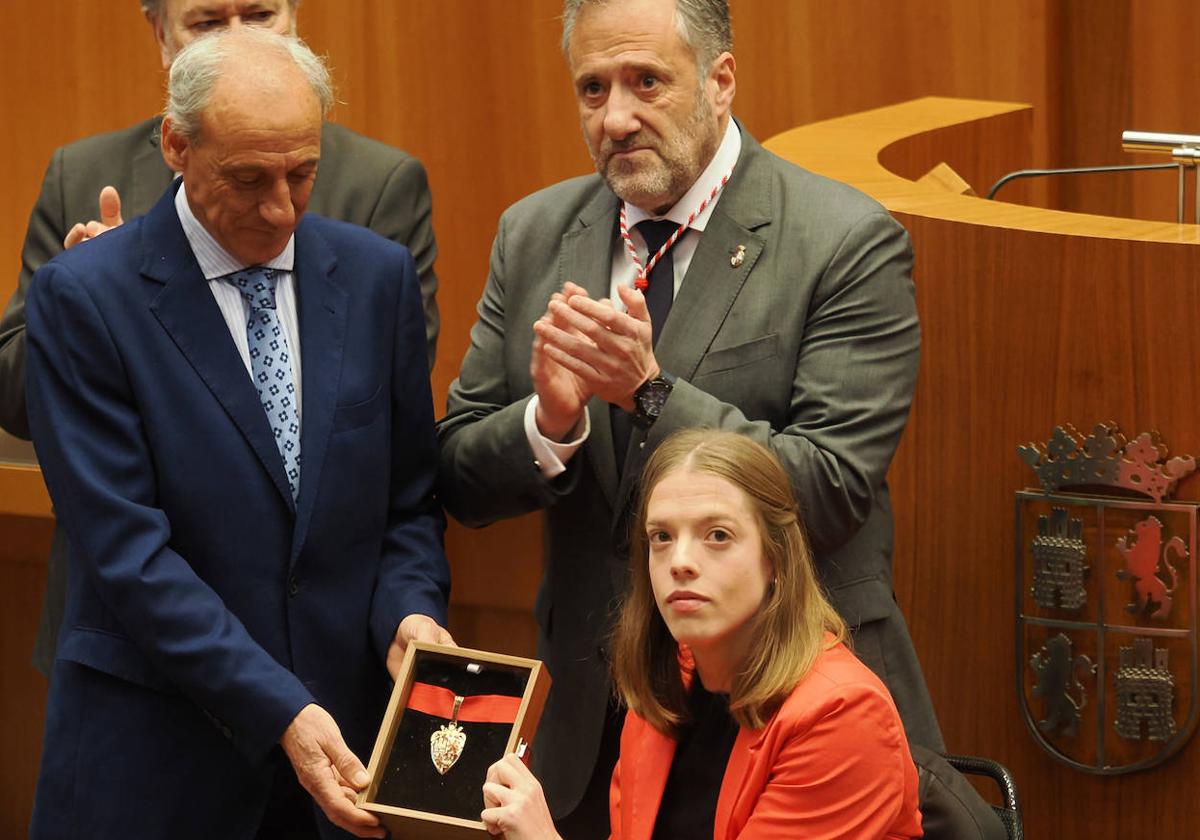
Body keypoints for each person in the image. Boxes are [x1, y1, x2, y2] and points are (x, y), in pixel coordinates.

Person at [435, 0, 941, 834]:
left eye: (646, 82)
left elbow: (832, 487)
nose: (617, 117)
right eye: (592, 89)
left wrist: (650, 393)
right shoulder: (532, 234)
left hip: (781, 710)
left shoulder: (843, 239)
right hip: (593, 725)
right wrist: (549, 423)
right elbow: (458, 473)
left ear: (720, 81)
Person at [25, 28, 450, 840]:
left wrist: (410, 612)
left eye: (302, 174)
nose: (281, 208)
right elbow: (128, 556)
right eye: (249, 179)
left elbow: (406, 502)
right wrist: (281, 708)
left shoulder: (374, 278)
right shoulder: (87, 300)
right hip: (157, 765)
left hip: (341, 762)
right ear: (177, 146)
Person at [479, 430, 923, 839]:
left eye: (717, 535)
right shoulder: (669, 680)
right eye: (662, 537)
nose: (680, 562)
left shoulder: (842, 715)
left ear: (775, 559)